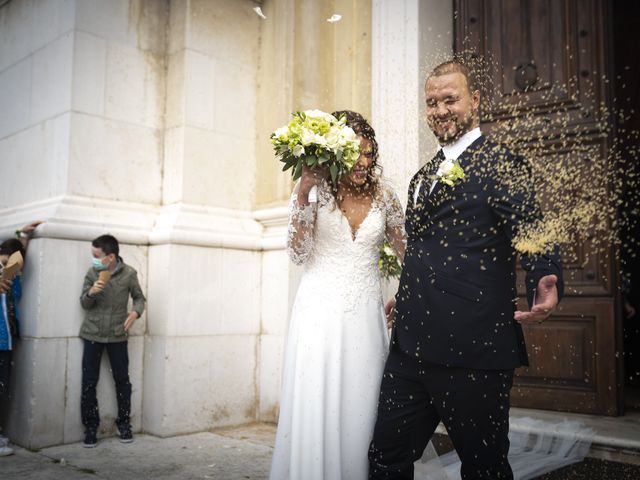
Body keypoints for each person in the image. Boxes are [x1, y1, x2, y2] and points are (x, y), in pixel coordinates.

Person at [368, 61, 564, 479]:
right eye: (432, 102)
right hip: (410, 349)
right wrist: (406, 294)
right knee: (386, 457)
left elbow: (534, 232)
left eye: (450, 99)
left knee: (484, 468)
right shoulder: (421, 176)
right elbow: (424, 250)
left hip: (474, 349)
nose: (440, 109)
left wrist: (544, 276)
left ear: (475, 100)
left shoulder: (502, 164)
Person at [269, 111, 407, 479]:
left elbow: (411, 256)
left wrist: (408, 295)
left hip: (365, 317)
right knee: (319, 401)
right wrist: (301, 191)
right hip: (317, 315)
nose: (363, 162)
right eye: (355, 154)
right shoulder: (314, 192)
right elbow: (298, 253)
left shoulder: (386, 198)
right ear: (335, 154)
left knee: (364, 403)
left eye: (368, 153)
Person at [79, 234, 145, 448]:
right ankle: (91, 427)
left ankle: (124, 423)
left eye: (97, 256)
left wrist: (135, 313)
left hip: (117, 335)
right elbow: (83, 303)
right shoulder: (92, 273)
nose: (94, 260)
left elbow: (139, 298)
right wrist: (91, 293)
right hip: (93, 334)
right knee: (89, 382)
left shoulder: (129, 274)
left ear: (111, 256)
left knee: (122, 381)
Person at [0, 221, 42, 457]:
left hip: (6, 341)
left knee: (2, 389)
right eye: (5, 262)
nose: (9, 266)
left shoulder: (14, 275)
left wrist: (23, 234)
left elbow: (19, 253)